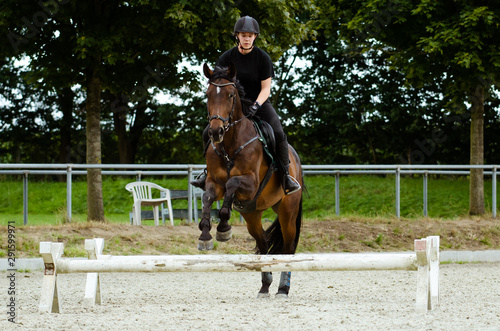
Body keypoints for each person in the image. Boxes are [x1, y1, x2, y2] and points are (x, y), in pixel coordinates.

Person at [191, 16, 300, 195]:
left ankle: (285, 176)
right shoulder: (226, 57)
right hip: (232, 105)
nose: (246, 38)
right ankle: (207, 173)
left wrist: (256, 105)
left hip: (259, 103)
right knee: (207, 133)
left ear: (255, 37)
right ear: (237, 36)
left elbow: (266, 89)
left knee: (278, 132)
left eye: (250, 35)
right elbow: (218, 83)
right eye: (243, 35)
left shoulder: (263, 58)